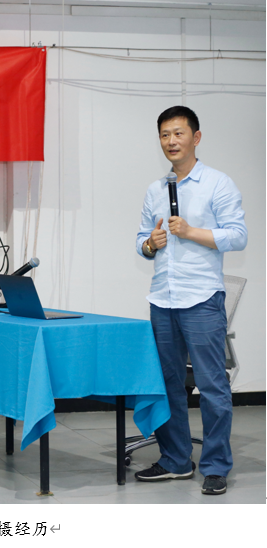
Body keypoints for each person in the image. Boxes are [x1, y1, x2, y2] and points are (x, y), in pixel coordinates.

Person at [135, 106, 247, 495]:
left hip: (202, 299)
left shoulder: (218, 183)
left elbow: (238, 236)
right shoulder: (156, 189)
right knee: (167, 384)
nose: (171, 141)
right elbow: (140, 240)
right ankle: (176, 460)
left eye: (178, 133)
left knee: (212, 386)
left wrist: (192, 231)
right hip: (162, 299)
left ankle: (215, 466)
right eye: (165, 135)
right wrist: (151, 244)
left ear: (196, 138)